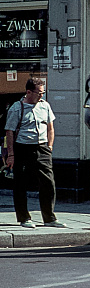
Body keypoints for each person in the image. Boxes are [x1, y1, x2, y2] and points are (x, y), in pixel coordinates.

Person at [3, 78, 62, 228]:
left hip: (42, 148)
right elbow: (9, 132)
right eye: (39, 93)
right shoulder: (17, 108)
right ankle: (24, 218)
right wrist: (11, 154)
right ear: (28, 92)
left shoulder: (45, 106)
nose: (41, 96)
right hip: (22, 147)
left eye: (43, 93)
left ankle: (49, 218)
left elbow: (50, 127)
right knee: (21, 183)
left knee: (48, 182)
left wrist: (49, 146)